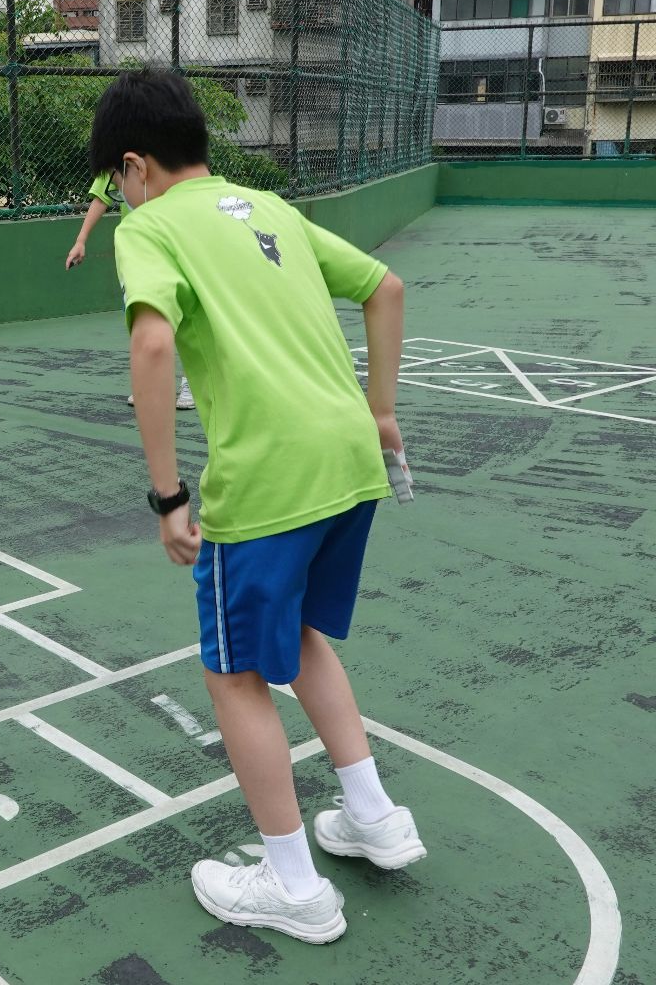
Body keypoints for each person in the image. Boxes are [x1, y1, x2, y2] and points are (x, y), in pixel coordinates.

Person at [95, 69, 420, 944]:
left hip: (269, 481)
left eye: (116, 182)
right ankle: (375, 819)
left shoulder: (150, 225)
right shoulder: (269, 204)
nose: (120, 196)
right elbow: (384, 287)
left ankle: (295, 889)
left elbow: (153, 340)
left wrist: (167, 494)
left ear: (135, 166)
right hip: (351, 461)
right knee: (304, 635)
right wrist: (381, 411)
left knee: (234, 673)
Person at [67, 168, 196, 410]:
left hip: (168, 243)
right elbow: (100, 198)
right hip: (134, 247)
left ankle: (191, 382)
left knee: (179, 314)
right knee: (141, 314)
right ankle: (150, 384)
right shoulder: (113, 158)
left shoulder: (163, 156)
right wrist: (81, 240)